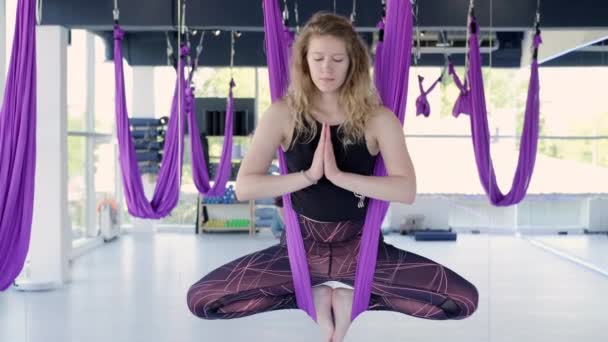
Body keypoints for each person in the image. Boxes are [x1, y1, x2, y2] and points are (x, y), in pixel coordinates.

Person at [187, 12, 478, 342]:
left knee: (463, 301)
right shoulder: (283, 114)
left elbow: (405, 189)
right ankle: (309, 297)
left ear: (352, 63)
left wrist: (339, 176)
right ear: (304, 62)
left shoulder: (378, 118)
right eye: (318, 58)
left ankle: (354, 300)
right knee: (202, 300)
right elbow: (246, 186)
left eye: (337, 59)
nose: (327, 68)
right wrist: (309, 175)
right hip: (300, 251)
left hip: (361, 250)